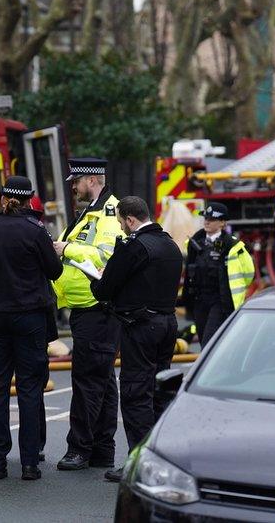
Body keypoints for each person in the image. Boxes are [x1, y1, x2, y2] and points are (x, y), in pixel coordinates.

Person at [0, 176, 63, 481]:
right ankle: (30, 463)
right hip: (30, 317)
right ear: (30, 200)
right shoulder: (36, 231)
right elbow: (55, 271)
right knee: (30, 388)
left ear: (2, 199)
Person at [89, 196, 183, 483]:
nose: (120, 225)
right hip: (167, 324)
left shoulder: (135, 246)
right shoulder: (171, 245)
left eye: (120, 220)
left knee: (135, 394)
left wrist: (95, 278)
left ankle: (138, 463)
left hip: (140, 326)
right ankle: (159, 457)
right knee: (159, 392)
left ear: (130, 219)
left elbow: (105, 289)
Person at [50, 158, 124, 472]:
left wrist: (66, 248)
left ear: (91, 179)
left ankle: (79, 449)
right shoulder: (92, 210)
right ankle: (102, 450)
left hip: (97, 310)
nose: (73, 187)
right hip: (88, 309)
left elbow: (106, 255)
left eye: (76, 181)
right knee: (103, 383)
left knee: (87, 383)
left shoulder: (108, 212)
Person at [184, 203, 254, 348]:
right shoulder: (195, 243)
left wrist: (234, 291)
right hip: (199, 301)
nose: (207, 221)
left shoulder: (232, 246)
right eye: (205, 218)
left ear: (222, 222)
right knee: (205, 340)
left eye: (212, 219)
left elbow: (249, 272)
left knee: (210, 341)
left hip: (219, 301)